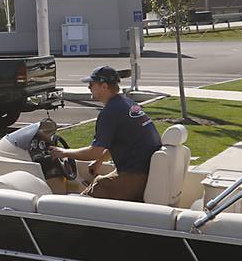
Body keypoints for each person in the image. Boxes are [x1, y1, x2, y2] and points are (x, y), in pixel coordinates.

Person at [49, 66, 161, 202]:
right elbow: (118, 141)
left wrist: (63, 153)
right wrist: (99, 161)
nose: (89, 87)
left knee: (90, 194)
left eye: (92, 84)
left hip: (134, 177)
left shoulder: (110, 112)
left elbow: (94, 152)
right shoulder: (128, 103)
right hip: (143, 173)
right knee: (98, 181)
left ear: (104, 86)